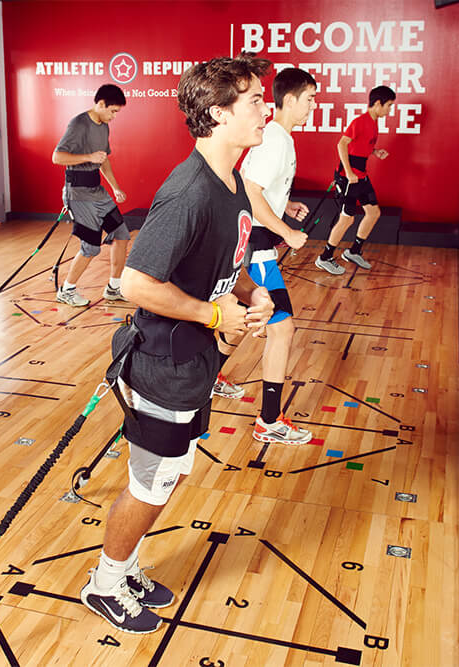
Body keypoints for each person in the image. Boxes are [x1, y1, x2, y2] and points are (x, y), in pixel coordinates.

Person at [80, 54, 275, 634]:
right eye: (254, 101)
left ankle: (126, 568)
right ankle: (105, 584)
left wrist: (251, 293)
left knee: (173, 472)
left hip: (194, 362)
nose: (264, 110)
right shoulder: (190, 191)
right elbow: (136, 283)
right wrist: (215, 313)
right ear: (217, 113)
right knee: (152, 484)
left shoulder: (231, 181)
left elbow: (223, 263)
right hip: (161, 364)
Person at [215, 67, 317, 445]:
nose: (313, 106)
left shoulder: (279, 137)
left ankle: (209, 378)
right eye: (309, 99)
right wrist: (287, 232)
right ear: (289, 100)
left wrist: (284, 206)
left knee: (245, 319)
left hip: (254, 241)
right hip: (255, 245)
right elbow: (250, 191)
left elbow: (258, 189)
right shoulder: (275, 139)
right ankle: (269, 421)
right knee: (281, 328)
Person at [52, 84, 129, 307]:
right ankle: (67, 290)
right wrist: (88, 156)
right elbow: (57, 157)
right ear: (101, 104)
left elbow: (103, 159)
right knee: (91, 247)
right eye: (112, 111)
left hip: (98, 192)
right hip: (78, 194)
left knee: (122, 235)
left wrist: (115, 187)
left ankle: (114, 288)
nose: (114, 116)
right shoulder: (79, 124)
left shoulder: (104, 126)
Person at [315, 85, 396, 274]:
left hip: (361, 176)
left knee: (373, 213)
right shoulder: (360, 121)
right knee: (347, 219)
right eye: (389, 105)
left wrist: (375, 152)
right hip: (348, 178)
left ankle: (353, 252)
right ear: (378, 104)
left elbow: (360, 146)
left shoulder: (374, 123)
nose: (390, 110)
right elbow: (341, 144)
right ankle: (324, 258)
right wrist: (349, 172)